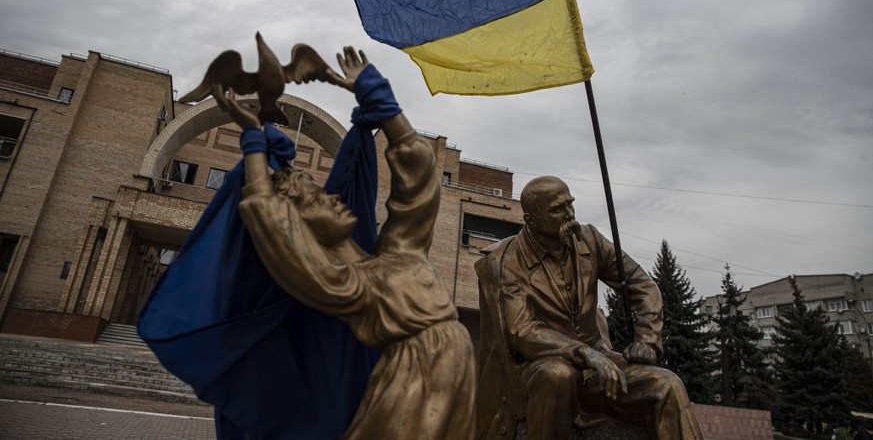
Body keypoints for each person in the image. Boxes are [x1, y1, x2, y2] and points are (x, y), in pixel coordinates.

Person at [212, 47, 476, 440]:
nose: (332, 196)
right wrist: (252, 139)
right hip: (407, 395)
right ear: (301, 226)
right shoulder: (340, 283)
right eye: (316, 199)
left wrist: (379, 99)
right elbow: (267, 217)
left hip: (457, 382)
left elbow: (421, 181)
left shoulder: (400, 251)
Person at [475, 175, 702, 440]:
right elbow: (522, 331)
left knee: (667, 385)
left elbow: (643, 287)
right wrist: (583, 353)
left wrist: (647, 340)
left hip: (597, 365)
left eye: (570, 204)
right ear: (531, 220)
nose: (569, 214)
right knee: (557, 374)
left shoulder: (589, 240)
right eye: (557, 210)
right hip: (536, 369)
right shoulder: (507, 261)